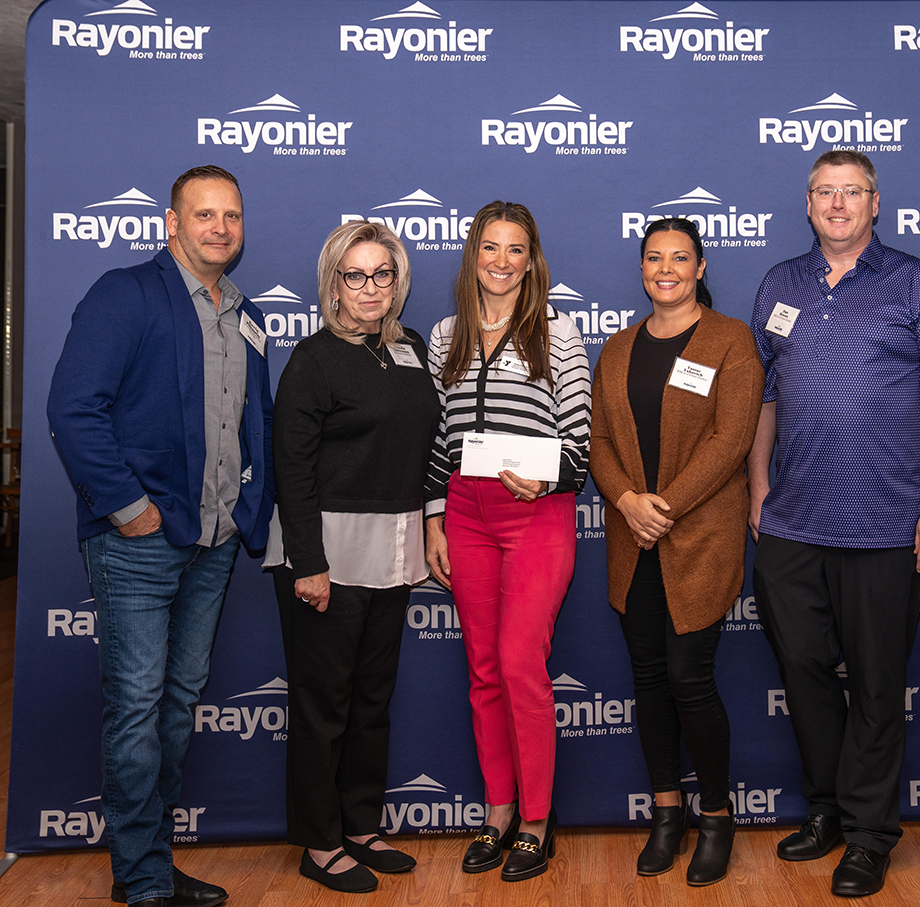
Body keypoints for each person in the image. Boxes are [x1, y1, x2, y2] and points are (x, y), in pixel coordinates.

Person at [747, 150, 920, 897]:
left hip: (885, 525)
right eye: (824, 192)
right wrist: (757, 484)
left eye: (852, 192)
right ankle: (827, 808)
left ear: (874, 204)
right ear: (807, 202)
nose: (837, 204)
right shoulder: (779, 284)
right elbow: (763, 396)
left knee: (878, 686)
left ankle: (871, 834)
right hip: (790, 524)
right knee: (804, 673)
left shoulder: (917, 282)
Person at [47, 165, 274, 907]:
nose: (219, 227)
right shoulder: (126, 294)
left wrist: (249, 514)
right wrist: (127, 507)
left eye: (231, 215)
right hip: (137, 542)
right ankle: (142, 878)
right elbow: (73, 408)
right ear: (170, 224)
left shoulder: (244, 314)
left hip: (212, 545)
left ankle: (150, 858)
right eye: (203, 214)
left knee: (176, 702)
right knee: (138, 703)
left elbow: (253, 428)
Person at [264, 221, 440, 893]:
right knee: (322, 704)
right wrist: (307, 562)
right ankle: (319, 839)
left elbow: (424, 446)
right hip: (326, 554)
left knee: (371, 698)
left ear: (398, 281)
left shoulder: (410, 348)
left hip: (394, 549)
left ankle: (361, 824)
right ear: (332, 283)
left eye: (382, 274)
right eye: (355, 275)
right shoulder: (311, 358)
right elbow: (292, 467)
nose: (370, 288)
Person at [590, 217, 763, 886]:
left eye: (679, 257)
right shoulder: (616, 348)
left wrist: (663, 506)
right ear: (641, 269)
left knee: (690, 676)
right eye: (654, 257)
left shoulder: (729, 340)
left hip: (698, 537)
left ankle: (715, 816)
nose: (666, 268)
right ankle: (667, 812)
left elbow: (731, 437)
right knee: (647, 677)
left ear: (699, 266)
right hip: (633, 540)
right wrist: (630, 501)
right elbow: (600, 440)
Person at [424, 201, 590, 882]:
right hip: (465, 513)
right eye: (489, 247)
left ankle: (535, 819)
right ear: (472, 255)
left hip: (536, 513)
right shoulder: (444, 333)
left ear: (532, 258)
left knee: (521, 663)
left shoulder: (558, 331)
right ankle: (497, 810)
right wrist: (433, 516)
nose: (500, 260)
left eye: (514, 249)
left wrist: (544, 477)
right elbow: (439, 439)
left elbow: (578, 444)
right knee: (484, 668)